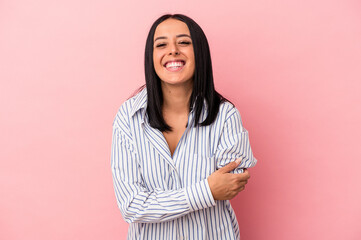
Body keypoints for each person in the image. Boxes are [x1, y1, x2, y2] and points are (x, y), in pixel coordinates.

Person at [111, 13, 257, 240]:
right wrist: (206, 191)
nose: (173, 51)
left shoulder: (225, 115)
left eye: (184, 42)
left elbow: (232, 182)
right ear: (151, 57)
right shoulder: (129, 117)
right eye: (162, 44)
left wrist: (157, 201)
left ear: (199, 52)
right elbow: (131, 205)